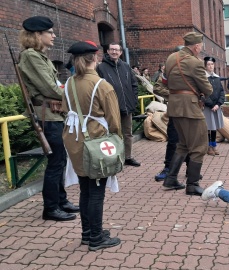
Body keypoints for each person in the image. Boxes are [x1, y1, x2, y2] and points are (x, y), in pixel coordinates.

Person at [18, 16, 79, 221]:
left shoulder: (39, 55)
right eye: (50, 32)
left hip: (54, 113)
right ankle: (51, 208)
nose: (53, 35)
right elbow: (50, 87)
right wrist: (74, 95)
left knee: (60, 160)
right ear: (37, 35)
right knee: (56, 161)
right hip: (47, 115)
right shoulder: (31, 56)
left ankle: (61, 201)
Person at [62, 41, 121, 251]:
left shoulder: (69, 83)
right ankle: (96, 238)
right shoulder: (101, 85)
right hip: (96, 143)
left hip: (75, 142)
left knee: (85, 190)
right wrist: (118, 142)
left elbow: (65, 109)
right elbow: (114, 120)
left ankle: (88, 233)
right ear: (94, 58)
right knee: (96, 192)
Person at [161, 32, 213, 195]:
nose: (201, 49)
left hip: (175, 106)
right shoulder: (195, 63)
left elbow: (166, 82)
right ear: (196, 46)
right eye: (201, 46)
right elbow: (208, 89)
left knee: (183, 144)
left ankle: (170, 179)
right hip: (190, 108)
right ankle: (192, 184)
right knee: (199, 146)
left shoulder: (171, 58)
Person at [153, 46, 197, 182]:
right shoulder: (169, 69)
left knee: (191, 141)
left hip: (192, 110)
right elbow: (158, 87)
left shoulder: (194, 68)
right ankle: (168, 169)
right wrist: (175, 95)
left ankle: (191, 169)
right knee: (173, 140)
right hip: (176, 110)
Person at [97, 43, 141, 167]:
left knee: (127, 133)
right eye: (112, 49)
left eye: (117, 50)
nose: (114, 52)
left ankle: (128, 156)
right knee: (112, 133)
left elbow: (134, 84)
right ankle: (114, 158)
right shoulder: (101, 68)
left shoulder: (126, 66)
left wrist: (134, 100)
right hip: (111, 107)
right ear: (108, 51)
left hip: (127, 106)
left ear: (121, 52)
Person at [203, 57, 225, 156]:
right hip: (208, 107)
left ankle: (214, 145)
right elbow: (203, 93)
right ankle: (208, 147)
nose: (211, 66)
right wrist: (211, 104)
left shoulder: (217, 78)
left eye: (212, 64)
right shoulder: (203, 78)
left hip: (216, 107)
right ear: (205, 66)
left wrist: (218, 104)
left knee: (214, 127)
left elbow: (221, 92)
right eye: (208, 64)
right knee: (208, 126)